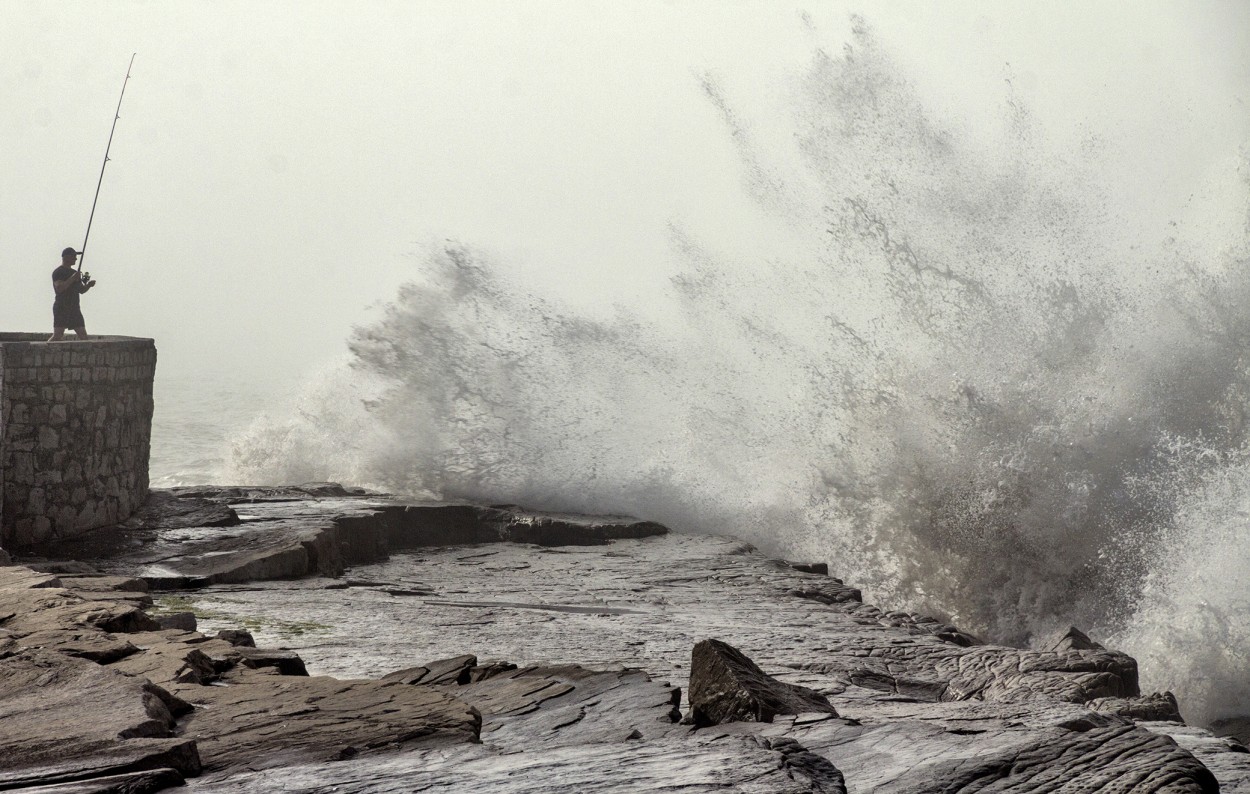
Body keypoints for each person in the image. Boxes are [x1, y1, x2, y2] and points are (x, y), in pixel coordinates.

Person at [49, 247, 96, 341]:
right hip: (62, 307)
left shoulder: (75, 273)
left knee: (83, 336)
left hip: (74, 308)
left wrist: (89, 286)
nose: (75, 259)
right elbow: (59, 288)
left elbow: (81, 290)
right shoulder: (58, 272)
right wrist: (73, 278)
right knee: (58, 335)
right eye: (73, 256)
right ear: (66, 257)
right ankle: (45, 349)